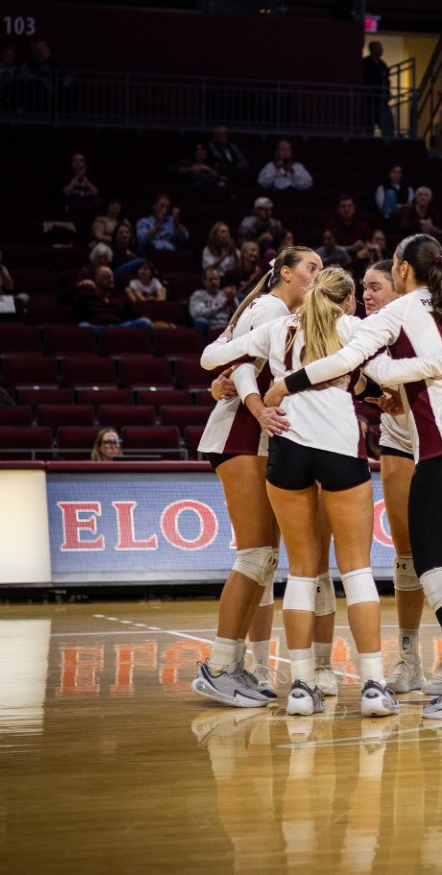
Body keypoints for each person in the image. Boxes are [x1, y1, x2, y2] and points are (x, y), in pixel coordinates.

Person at [261, 234, 442, 720]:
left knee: (432, 565)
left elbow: (350, 362)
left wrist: (286, 382)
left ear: (400, 270)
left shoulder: (397, 314)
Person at [202, 264, 442, 719]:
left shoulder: (279, 326)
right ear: (345, 300)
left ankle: (302, 685)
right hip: (340, 450)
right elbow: (389, 369)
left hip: (287, 451)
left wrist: (230, 367)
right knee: (357, 571)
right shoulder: (355, 326)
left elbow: (210, 357)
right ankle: (371, 685)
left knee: (302, 572)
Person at [188, 246, 322, 709]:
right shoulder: (269, 307)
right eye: (310, 268)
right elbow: (238, 364)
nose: (316, 275)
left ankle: (238, 662)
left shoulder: (285, 313)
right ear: (284, 273)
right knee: (254, 556)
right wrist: (256, 406)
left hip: (256, 436)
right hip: (239, 435)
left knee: (263, 559)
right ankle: (220, 666)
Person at [357, 260, 429, 695]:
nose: (366, 294)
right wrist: (374, 395)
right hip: (400, 444)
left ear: (399, 287)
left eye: (375, 286)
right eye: (363, 287)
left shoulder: (423, 324)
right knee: (406, 556)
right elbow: (347, 376)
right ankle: (409, 659)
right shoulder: (366, 332)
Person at [73, 265, 153, 330]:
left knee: (145, 322)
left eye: (112, 277)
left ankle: (152, 350)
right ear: (96, 279)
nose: (111, 280)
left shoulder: (120, 297)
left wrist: (148, 319)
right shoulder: (86, 295)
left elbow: (137, 313)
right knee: (84, 326)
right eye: (106, 277)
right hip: (96, 327)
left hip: (118, 327)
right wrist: (79, 286)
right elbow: (64, 298)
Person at [28, 38, 72, 112]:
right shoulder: (33, 62)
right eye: (42, 47)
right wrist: (45, 82)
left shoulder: (55, 61)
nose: (45, 48)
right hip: (40, 93)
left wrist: (67, 80)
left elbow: (64, 72)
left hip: (56, 91)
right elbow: (31, 75)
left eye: (46, 46)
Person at [188, 266, 234, 336]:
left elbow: (237, 313)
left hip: (227, 327)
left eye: (216, 279)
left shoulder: (225, 294)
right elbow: (197, 313)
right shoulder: (198, 295)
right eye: (210, 280)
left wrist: (233, 301)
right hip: (210, 328)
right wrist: (220, 307)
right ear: (204, 281)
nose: (214, 282)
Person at [362, 40, 394, 135]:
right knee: (368, 127)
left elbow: (386, 80)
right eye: (379, 47)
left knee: (388, 127)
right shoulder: (366, 63)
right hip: (370, 101)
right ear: (373, 49)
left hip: (382, 100)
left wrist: (387, 93)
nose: (381, 50)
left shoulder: (382, 64)